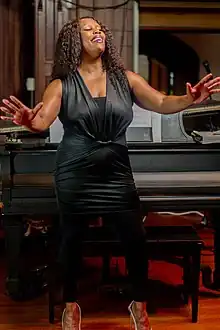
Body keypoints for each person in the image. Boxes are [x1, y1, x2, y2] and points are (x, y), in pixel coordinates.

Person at [1, 16, 220, 330]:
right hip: (75, 173)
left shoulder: (126, 79)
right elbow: (43, 121)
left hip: (116, 173)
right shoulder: (61, 84)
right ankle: (71, 306)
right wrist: (28, 121)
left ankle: (139, 305)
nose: (97, 31)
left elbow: (160, 101)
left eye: (99, 28)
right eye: (88, 29)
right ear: (74, 42)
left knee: (135, 239)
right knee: (71, 242)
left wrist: (189, 98)